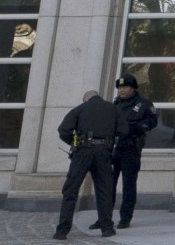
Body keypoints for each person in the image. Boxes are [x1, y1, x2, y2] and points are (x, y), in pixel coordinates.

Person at [54, 89, 120, 239]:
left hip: (82, 152)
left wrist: (74, 142)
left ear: (85, 99)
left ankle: (62, 231)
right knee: (104, 190)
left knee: (71, 190)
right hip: (103, 151)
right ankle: (107, 228)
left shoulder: (79, 109)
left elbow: (63, 130)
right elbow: (123, 129)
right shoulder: (113, 109)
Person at [109, 73, 160, 229]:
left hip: (130, 149)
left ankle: (125, 218)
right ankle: (104, 217)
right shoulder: (115, 104)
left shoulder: (143, 104)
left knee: (128, 186)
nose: (121, 90)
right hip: (113, 149)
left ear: (133, 88)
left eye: (125, 87)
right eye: (119, 88)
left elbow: (152, 122)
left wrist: (134, 128)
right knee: (107, 185)